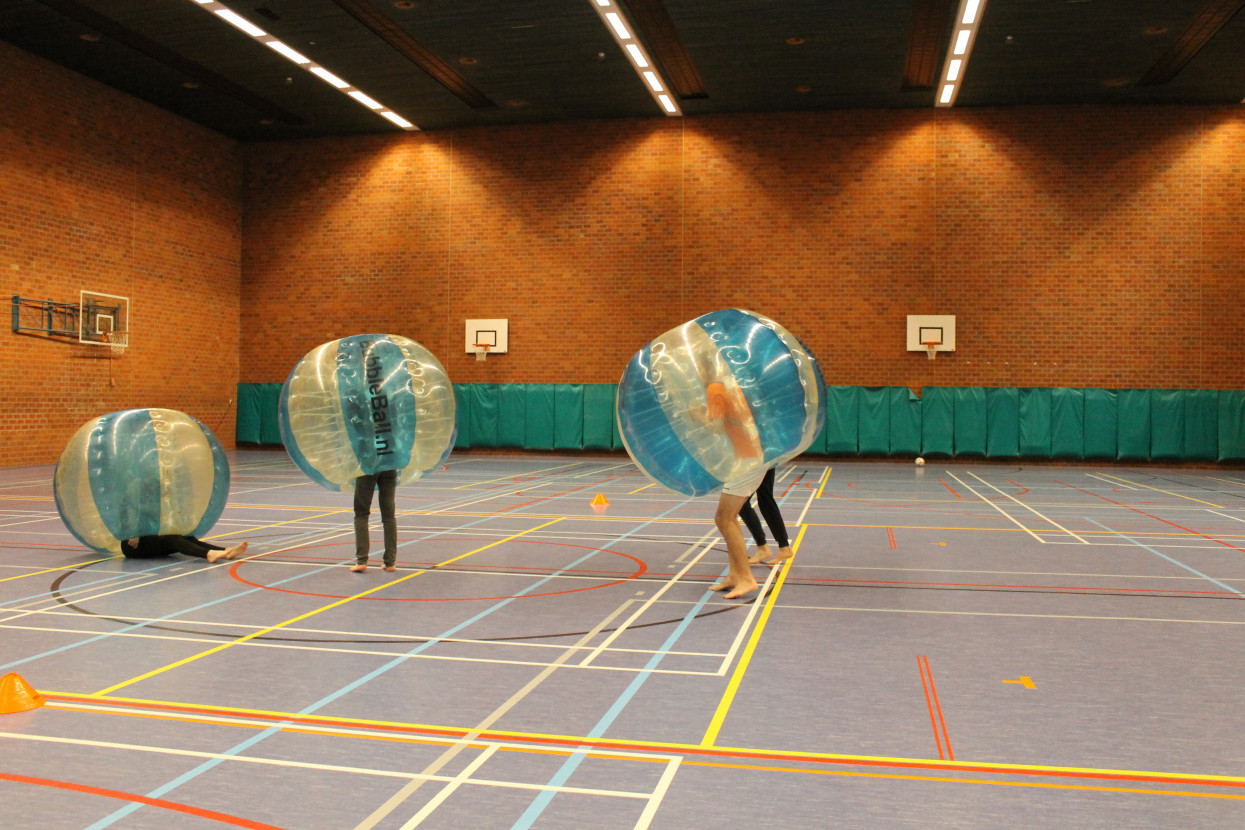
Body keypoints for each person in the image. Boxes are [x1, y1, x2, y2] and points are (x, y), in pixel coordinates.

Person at [738, 467, 794, 566]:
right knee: (765, 500)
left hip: (758, 460)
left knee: (741, 502)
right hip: (765, 458)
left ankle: (762, 546)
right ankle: (784, 546)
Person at [352, 469, 397, 573]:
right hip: (389, 465)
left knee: (361, 514)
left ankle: (361, 561)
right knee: (389, 516)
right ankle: (390, 562)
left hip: (368, 466)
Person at [121, 535, 248, 563]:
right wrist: (132, 533)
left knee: (188, 538)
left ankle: (226, 551)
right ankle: (209, 554)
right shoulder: (131, 498)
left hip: (148, 537)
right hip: (132, 545)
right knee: (172, 540)